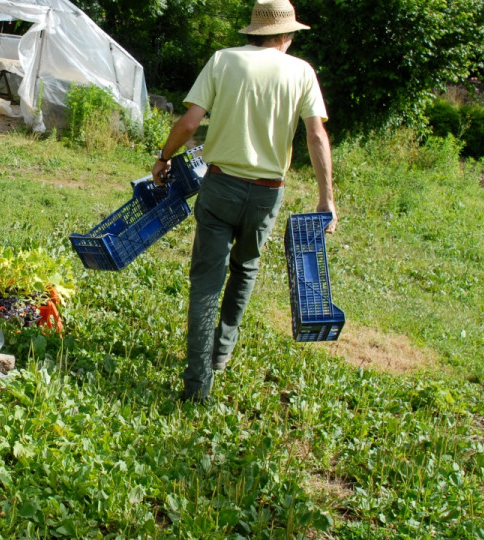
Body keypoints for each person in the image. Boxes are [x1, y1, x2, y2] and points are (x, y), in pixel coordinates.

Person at [151, 0, 337, 404]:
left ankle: (197, 385)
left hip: (219, 186)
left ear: (253, 32)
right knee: (246, 266)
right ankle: (222, 351)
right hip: (267, 193)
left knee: (205, 283)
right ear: (286, 36)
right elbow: (316, 136)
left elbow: (188, 123)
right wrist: (327, 198)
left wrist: (164, 158)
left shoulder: (223, 60)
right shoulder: (302, 72)